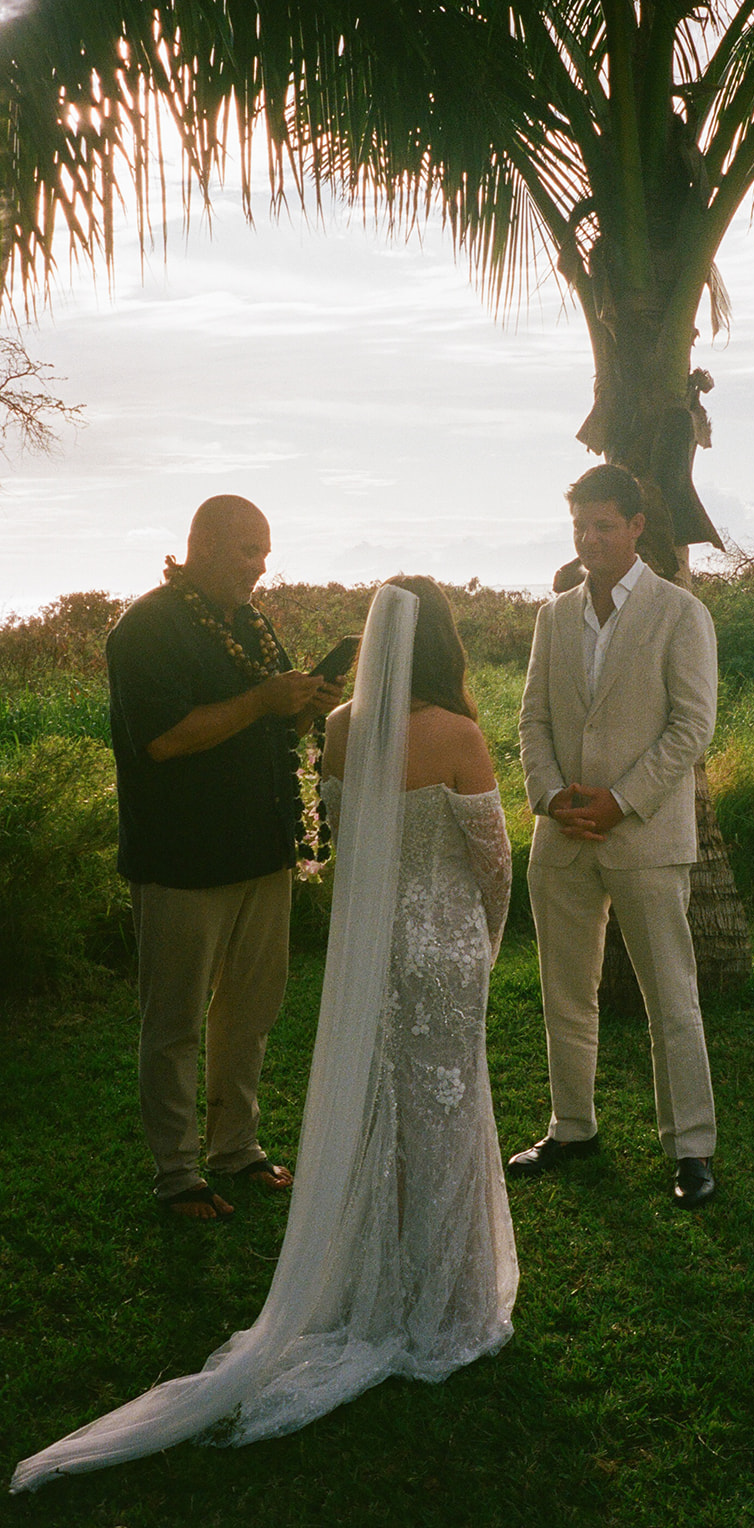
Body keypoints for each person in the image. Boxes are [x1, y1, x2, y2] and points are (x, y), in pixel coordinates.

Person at [12, 578, 516, 1492]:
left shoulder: (338, 728)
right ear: (447, 644)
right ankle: (450, 1305)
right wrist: (485, 935)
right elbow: (492, 858)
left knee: (380, 1107)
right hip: (440, 947)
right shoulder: (458, 734)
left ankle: (385, 1277)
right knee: (446, 1106)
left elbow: (333, 835)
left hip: (369, 954)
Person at [106, 495, 343, 1220]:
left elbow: (263, 718)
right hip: (183, 858)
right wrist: (263, 700)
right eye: (248, 552)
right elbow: (165, 739)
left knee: (250, 1011)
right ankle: (177, 1174)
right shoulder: (147, 627)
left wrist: (303, 703)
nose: (260, 568)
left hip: (261, 850)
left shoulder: (249, 623)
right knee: (175, 1022)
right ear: (203, 546)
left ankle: (235, 1148)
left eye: (266, 553)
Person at [510, 463, 719, 1209]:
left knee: (672, 997)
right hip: (562, 836)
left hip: (644, 839)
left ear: (636, 527)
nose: (590, 539)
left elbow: (691, 726)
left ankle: (691, 1148)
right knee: (566, 994)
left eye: (604, 525)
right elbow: (532, 718)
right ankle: (572, 1127)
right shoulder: (554, 615)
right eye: (581, 526)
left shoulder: (679, 613)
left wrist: (621, 802)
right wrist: (550, 795)